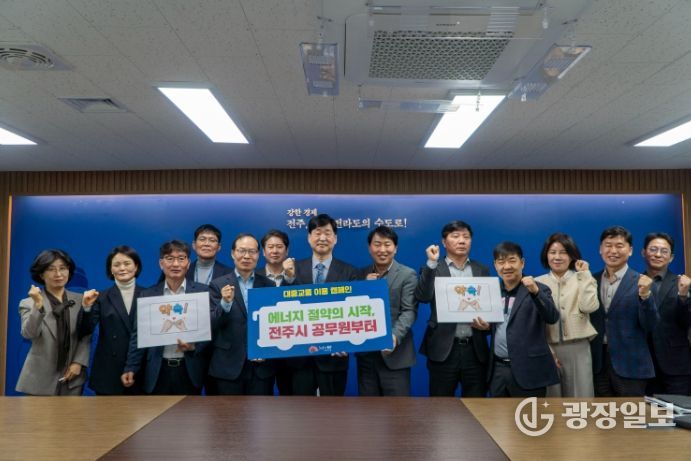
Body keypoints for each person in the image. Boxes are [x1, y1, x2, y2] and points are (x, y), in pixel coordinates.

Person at [284, 213, 359, 396]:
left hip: (334, 358)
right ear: (309, 238)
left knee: (332, 411)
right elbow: (284, 305)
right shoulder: (293, 268)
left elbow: (354, 312)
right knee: (300, 410)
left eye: (327, 233)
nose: (322, 238)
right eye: (317, 233)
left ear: (335, 238)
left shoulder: (349, 272)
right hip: (300, 358)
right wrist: (288, 278)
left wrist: (346, 342)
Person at [121, 240, 210, 395]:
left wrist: (194, 346)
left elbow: (210, 332)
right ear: (161, 264)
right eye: (169, 259)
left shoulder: (202, 292)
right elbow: (138, 336)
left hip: (189, 370)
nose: (175, 264)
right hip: (157, 369)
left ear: (188, 263)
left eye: (181, 258)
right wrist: (131, 367)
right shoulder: (148, 295)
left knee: (190, 411)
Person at [473, 241, 560, 397]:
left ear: (522, 263)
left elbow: (552, 317)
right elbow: (497, 327)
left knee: (529, 413)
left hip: (529, 369)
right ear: (495, 265)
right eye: (501, 262)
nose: (507, 266)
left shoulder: (538, 288)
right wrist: (486, 327)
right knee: (498, 413)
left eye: (512, 260)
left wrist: (535, 292)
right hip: (498, 369)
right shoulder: (491, 291)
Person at [415, 220, 490, 397]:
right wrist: (431, 263)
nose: (461, 241)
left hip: (475, 349)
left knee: (476, 405)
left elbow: (489, 306)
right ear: (444, 242)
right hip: (443, 348)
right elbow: (423, 297)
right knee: (440, 404)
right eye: (455, 236)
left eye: (466, 237)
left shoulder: (481, 269)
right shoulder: (433, 267)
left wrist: (488, 326)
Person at [16, 249, 94, 395]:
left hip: (72, 379)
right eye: (51, 269)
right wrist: (38, 306)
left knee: (72, 412)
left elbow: (86, 334)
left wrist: (78, 362)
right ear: (41, 274)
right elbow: (29, 334)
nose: (58, 274)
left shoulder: (80, 300)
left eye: (63, 268)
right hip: (38, 380)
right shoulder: (28, 303)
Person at [590, 226, 657, 397]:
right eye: (608, 245)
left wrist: (645, 295)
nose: (613, 251)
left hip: (631, 364)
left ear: (630, 250)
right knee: (603, 413)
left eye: (619, 246)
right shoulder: (590, 281)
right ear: (600, 249)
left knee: (631, 413)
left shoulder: (642, 282)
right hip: (598, 364)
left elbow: (651, 324)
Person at [207, 233, 276, 395]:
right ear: (233, 253)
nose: (246, 256)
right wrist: (225, 303)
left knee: (261, 411)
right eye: (242, 251)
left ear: (258, 255)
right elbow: (210, 324)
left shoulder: (269, 285)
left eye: (252, 251)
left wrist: (266, 350)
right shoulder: (217, 285)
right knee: (228, 411)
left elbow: (273, 324)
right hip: (228, 365)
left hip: (261, 367)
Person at [536, 233, 599, 397]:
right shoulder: (537, 283)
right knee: (551, 400)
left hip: (578, 348)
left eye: (563, 252)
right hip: (548, 349)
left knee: (581, 399)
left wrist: (584, 274)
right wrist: (547, 349)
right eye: (552, 252)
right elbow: (534, 323)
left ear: (572, 255)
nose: (557, 257)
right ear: (546, 255)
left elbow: (589, 306)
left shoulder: (584, 278)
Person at [358, 226, 418, 396]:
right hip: (367, 357)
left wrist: (394, 337)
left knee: (397, 409)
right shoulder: (360, 274)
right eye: (377, 244)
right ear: (370, 248)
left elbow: (409, 311)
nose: (382, 250)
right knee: (368, 407)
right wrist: (364, 287)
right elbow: (353, 310)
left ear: (395, 248)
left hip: (396, 355)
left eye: (387, 244)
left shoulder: (407, 274)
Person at [78, 245, 146, 395]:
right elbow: (85, 330)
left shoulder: (149, 295)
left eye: (127, 263)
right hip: (109, 371)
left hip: (141, 369)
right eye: (116, 264)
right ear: (110, 269)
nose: (122, 268)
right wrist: (86, 307)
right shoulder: (101, 297)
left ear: (136, 267)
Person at [641, 232, 691, 394]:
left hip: (676, 365)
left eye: (664, 251)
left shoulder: (682, 283)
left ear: (671, 257)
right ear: (643, 253)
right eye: (653, 249)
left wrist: (683, 296)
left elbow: (687, 322)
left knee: (679, 409)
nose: (657, 254)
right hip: (642, 364)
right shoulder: (633, 282)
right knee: (646, 409)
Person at [257, 229, 294, 395]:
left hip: (291, 355)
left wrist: (290, 278)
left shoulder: (298, 277)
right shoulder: (253, 277)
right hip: (262, 356)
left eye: (279, 247)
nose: (275, 251)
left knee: (292, 404)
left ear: (287, 251)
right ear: (263, 251)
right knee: (262, 404)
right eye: (270, 247)